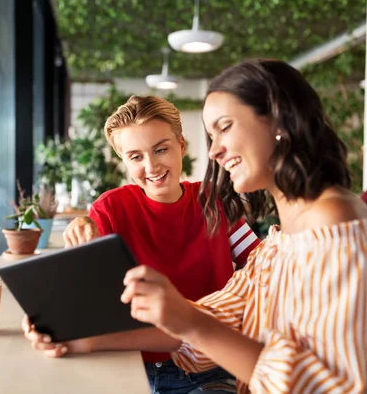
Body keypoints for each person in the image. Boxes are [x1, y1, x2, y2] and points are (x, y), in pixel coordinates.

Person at [121, 59, 367, 393]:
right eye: (211, 136)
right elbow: (216, 319)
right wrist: (88, 342)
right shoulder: (281, 242)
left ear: (279, 121)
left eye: (225, 127)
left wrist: (191, 323)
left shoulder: (337, 228)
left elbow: (322, 386)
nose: (214, 151)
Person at [24, 95, 262, 393]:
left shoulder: (215, 201)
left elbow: (264, 269)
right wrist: (45, 321)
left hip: (210, 367)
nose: (151, 166)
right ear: (124, 161)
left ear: (182, 146)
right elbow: (76, 293)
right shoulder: (109, 210)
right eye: (136, 157)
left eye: (161, 149)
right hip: (129, 365)